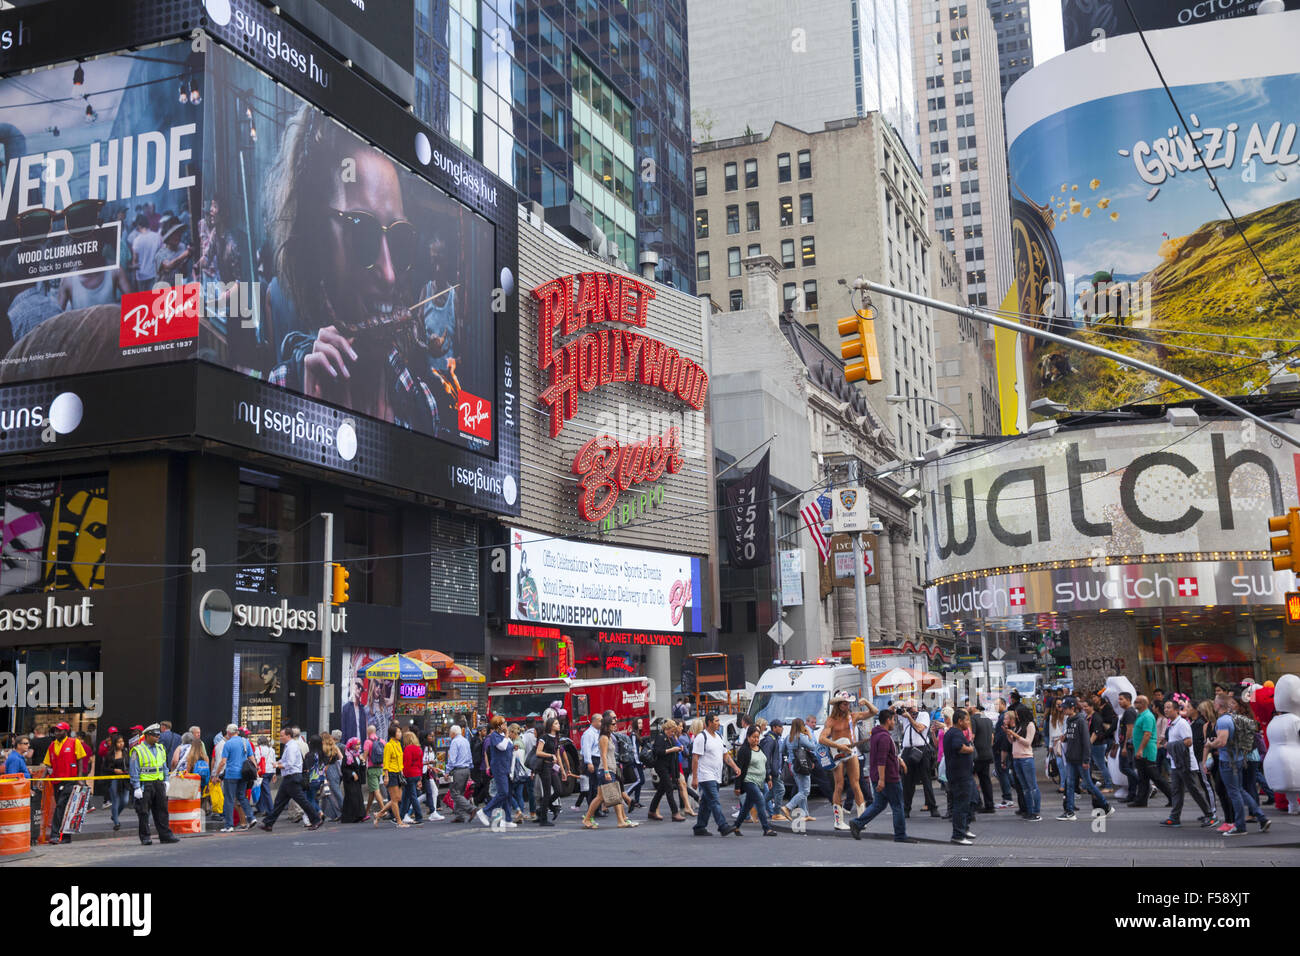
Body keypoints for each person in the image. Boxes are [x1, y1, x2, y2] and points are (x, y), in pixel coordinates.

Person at [849, 709, 916, 843]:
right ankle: (900, 835)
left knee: (879, 804)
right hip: (889, 778)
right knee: (897, 806)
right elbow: (882, 759)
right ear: (888, 720)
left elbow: (887, 755)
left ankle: (857, 823)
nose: (894, 723)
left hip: (878, 776)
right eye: (893, 720)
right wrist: (882, 780)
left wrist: (899, 760)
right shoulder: (884, 737)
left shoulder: (877, 734)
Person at [1207, 694, 1269, 836]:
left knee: (1234, 793)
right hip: (1238, 758)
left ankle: (1240, 826)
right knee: (1240, 790)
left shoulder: (1223, 721)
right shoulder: (1233, 718)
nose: (1213, 704)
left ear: (1218, 705)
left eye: (1215, 702)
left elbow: (1222, 742)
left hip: (1228, 761)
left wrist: (1210, 744)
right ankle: (1262, 817)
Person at [818, 695, 876, 829]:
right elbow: (821, 739)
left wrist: (866, 701)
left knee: (856, 784)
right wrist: (838, 746)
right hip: (838, 753)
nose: (847, 706)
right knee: (839, 785)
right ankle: (838, 821)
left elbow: (874, 712)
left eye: (848, 704)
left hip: (851, 751)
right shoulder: (831, 720)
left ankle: (862, 820)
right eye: (844, 704)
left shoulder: (853, 716)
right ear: (838, 705)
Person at [1058, 697, 1113, 821]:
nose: (1063, 710)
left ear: (1073, 708)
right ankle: (1070, 811)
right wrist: (1066, 738)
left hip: (1079, 758)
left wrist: (1086, 760)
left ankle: (1105, 805)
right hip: (1072, 757)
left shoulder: (1080, 721)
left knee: (1089, 784)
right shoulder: (1069, 721)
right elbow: (1073, 737)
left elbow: (1086, 742)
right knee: (1071, 784)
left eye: (1065, 708)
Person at [1160, 699, 1214, 828]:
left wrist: (1169, 745)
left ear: (1176, 710)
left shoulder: (1182, 724)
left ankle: (1210, 815)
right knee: (1176, 791)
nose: (1166, 710)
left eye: (1169, 707)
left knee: (1194, 790)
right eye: (1165, 707)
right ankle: (1174, 817)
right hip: (1175, 763)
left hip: (1186, 763)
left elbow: (1188, 742)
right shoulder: (1172, 724)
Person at [582, 711, 637, 830]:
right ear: (607, 725)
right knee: (614, 795)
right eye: (613, 724)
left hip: (611, 769)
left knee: (600, 797)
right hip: (605, 770)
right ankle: (620, 821)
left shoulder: (609, 737)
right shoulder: (603, 738)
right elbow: (603, 755)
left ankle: (587, 819)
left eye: (615, 723)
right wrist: (606, 771)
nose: (615, 725)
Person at [260, 727, 323, 832]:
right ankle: (269, 823)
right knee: (279, 802)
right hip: (289, 778)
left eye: (282, 735)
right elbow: (285, 760)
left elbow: (290, 763)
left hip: (292, 777)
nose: (280, 737)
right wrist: (278, 762)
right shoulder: (289, 746)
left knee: (302, 801)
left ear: (288, 736)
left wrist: (277, 766)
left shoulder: (292, 747)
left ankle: (316, 819)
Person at [692, 712, 742, 837]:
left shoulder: (718, 737)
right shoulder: (701, 737)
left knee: (706, 803)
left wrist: (735, 767)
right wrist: (695, 777)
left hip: (716, 775)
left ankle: (699, 827)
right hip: (705, 776)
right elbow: (695, 758)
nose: (718, 723)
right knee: (714, 801)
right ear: (709, 722)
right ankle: (723, 826)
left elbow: (725, 755)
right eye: (716, 721)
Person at [129, 724, 179, 846]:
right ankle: (145, 837)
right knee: (144, 812)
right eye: (155, 735)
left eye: (158, 734)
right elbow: (134, 770)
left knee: (162, 811)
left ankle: (165, 835)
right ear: (147, 736)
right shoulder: (137, 750)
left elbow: (164, 766)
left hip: (158, 783)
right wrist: (136, 787)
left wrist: (166, 780)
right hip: (144, 785)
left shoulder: (160, 748)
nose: (157, 737)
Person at [42, 721, 87, 844]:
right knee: (64, 807)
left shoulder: (74, 742)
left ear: (66, 731)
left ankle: (55, 835)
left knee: (60, 806)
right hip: (56, 781)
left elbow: (80, 760)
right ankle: (67, 836)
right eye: (55, 730)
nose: (56, 732)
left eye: (59, 730)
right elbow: (47, 764)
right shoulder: (52, 745)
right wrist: (41, 779)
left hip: (70, 780)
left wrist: (79, 778)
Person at [732, 725, 777, 836]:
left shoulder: (760, 748)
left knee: (747, 806)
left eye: (757, 737)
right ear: (748, 737)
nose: (756, 739)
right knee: (761, 801)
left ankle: (736, 826)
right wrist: (737, 787)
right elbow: (739, 770)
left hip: (759, 782)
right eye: (753, 737)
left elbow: (764, 764)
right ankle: (766, 829)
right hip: (749, 781)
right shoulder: (744, 751)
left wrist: (768, 778)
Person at [898, 701, 940, 819]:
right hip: (907, 750)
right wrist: (899, 705)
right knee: (907, 781)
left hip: (921, 750)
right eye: (907, 708)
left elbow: (920, 728)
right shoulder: (905, 715)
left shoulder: (923, 715)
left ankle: (932, 807)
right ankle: (906, 809)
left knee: (926, 779)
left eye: (910, 707)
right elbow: (891, 711)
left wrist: (910, 718)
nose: (908, 710)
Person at [1131, 695, 1173, 808]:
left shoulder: (1147, 716)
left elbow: (1147, 734)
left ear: (1144, 704)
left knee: (1156, 777)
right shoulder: (1141, 715)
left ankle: (1172, 797)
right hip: (1141, 751)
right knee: (1143, 777)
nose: (1135, 704)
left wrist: (1140, 749)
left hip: (1147, 751)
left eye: (1137, 702)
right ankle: (1141, 800)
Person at [214, 723, 256, 832]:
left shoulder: (228, 744)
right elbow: (251, 757)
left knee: (229, 799)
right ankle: (251, 818)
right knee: (242, 796)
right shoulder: (245, 742)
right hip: (243, 774)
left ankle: (229, 825)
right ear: (237, 731)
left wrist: (216, 774)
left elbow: (223, 762)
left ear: (228, 733)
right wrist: (256, 770)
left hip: (231, 774)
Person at [477, 715, 518, 828]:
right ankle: (485, 811)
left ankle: (507, 819)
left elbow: (508, 747)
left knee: (508, 794)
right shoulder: (494, 736)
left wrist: (513, 747)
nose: (506, 725)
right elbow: (502, 747)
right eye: (504, 723)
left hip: (507, 767)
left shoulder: (503, 736)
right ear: (498, 725)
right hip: (499, 768)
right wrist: (506, 735)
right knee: (503, 792)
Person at [944, 709, 977, 844]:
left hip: (964, 774)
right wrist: (970, 749)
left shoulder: (953, 732)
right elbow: (959, 747)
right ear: (959, 721)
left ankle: (964, 828)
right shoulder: (956, 733)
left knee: (973, 799)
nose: (968, 723)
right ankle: (958, 835)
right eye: (966, 720)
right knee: (962, 804)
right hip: (960, 775)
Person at [1006, 709, 1041, 821]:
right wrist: (1009, 734)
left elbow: (1027, 742)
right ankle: (1029, 810)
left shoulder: (1030, 725)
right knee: (1025, 787)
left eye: (1017, 714)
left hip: (1026, 758)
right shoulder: (1019, 726)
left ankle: (1035, 811)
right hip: (1017, 758)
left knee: (1032, 786)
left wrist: (1014, 734)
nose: (1017, 716)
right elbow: (1013, 742)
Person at [647, 719, 684, 821]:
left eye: (673, 731)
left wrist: (679, 747)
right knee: (669, 788)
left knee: (661, 790)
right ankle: (675, 813)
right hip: (661, 766)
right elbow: (658, 752)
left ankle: (652, 811)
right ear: (666, 729)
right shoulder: (660, 737)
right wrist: (672, 750)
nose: (672, 733)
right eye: (671, 731)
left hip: (667, 766)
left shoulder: (669, 738)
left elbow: (674, 746)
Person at [781, 717, 817, 822]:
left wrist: (791, 756)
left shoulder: (788, 737)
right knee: (805, 791)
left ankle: (805, 814)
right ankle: (788, 807)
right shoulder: (801, 737)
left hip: (793, 766)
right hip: (802, 765)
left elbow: (782, 750)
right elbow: (813, 746)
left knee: (801, 790)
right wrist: (809, 735)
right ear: (802, 726)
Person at [533, 716, 566, 826]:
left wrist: (563, 770)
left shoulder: (556, 738)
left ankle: (543, 808)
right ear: (551, 726)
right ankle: (543, 819)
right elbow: (538, 752)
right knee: (547, 792)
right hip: (545, 767)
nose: (559, 725)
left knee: (558, 790)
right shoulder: (544, 737)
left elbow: (558, 755)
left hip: (552, 768)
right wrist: (550, 755)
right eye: (556, 723)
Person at [760, 718, 788, 821]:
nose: (782, 729)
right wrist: (769, 774)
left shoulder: (774, 739)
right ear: (774, 727)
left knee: (772, 792)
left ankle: (756, 807)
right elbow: (766, 758)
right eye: (780, 727)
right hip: (773, 771)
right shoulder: (770, 740)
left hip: (776, 770)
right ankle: (776, 814)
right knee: (780, 790)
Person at [446, 724, 475, 822]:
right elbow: (470, 756)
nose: (449, 734)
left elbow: (452, 759)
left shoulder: (455, 742)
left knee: (454, 793)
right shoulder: (465, 740)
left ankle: (471, 809)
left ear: (453, 733)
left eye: (450, 733)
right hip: (466, 769)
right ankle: (460, 815)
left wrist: (447, 771)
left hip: (458, 770)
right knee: (460, 793)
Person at [970, 704, 995, 814]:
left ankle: (977, 803)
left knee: (971, 778)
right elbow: (992, 737)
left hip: (977, 754)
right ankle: (990, 805)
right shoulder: (988, 720)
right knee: (985, 780)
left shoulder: (973, 719)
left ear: (975, 706)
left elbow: (972, 737)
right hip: (987, 753)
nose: (967, 707)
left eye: (969, 705)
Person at [1116, 691, 1141, 800]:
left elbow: (1130, 729)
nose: (1119, 701)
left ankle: (1143, 784)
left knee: (1124, 767)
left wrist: (1125, 745)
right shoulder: (1127, 712)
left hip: (1128, 745)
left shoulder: (1129, 712)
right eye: (1119, 699)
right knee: (1128, 767)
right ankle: (1132, 794)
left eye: (1121, 699)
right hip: (1124, 743)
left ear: (1128, 699)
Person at [578, 713, 604, 813]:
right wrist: (589, 763)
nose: (601, 722)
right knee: (593, 786)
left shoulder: (598, 732)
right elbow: (586, 749)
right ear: (593, 722)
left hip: (598, 759)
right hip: (593, 760)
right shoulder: (588, 734)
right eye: (600, 720)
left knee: (597, 785)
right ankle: (593, 810)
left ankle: (597, 808)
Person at [398, 730, 424, 826]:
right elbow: (421, 764)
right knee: (406, 796)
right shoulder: (418, 748)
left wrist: (404, 774)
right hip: (417, 774)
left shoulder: (408, 749)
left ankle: (419, 816)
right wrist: (420, 776)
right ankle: (400, 816)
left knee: (412, 796)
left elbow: (407, 764)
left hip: (410, 774)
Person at [340, 738, 367, 823]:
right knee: (352, 797)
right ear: (352, 745)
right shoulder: (347, 755)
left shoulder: (357, 754)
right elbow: (344, 768)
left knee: (358, 797)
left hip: (356, 781)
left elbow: (359, 767)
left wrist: (363, 762)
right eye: (356, 744)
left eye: (359, 744)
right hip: (350, 781)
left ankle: (360, 815)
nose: (358, 746)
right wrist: (352, 773)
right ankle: (350, 817)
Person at [421, 731, 444, 821]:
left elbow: (432, 761)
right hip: (423, 773)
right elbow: (421, 762)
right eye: (430, 736)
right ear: (425, 737)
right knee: (431, 792)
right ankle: (433, 812)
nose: (432, 738)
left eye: (433, 736)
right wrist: (430, 764)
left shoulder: (431, 747)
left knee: (432, 791)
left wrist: (433, 768)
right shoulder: (423, 748)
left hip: (429, 772)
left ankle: (433, 812)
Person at [320, 733, 343, 822]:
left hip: (326, 770)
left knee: (332, 792)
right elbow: (341, 758)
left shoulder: (322, 749)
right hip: (335, 769)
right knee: (333, 792)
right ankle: (338, 813)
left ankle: (342, 811)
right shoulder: (334, 747)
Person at [253, 735, 276, 818]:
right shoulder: (272, 750)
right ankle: (261, 808)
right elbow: (274, 761)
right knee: (263, 790)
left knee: (266, 791)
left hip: (263, 772)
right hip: (270, 771)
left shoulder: (258, 749)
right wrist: (274, 773)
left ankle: (271, 810)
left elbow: (257, 760)